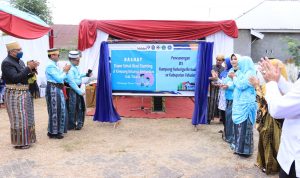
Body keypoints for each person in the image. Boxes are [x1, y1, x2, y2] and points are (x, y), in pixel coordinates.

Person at [259, 57, 300, 178]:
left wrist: (271, 82)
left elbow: (277, 109)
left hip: (295, 157)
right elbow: (294, 92)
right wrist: (278, 80)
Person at [249, 59, 287, 174]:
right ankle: (264, 162)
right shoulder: (272, 85)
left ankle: (271, 167)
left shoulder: (279, 87)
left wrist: (256, 87)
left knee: (270, 141)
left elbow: (264, 102)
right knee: (265, 140)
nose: (265, 72)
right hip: (267, 117)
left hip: (272, 119)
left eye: (269, 69)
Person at [1, 41, 39, 149]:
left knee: (28, 117)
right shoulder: (6, 63)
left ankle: (28, 139)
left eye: (20, 49)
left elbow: (23, 77)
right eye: (18, 50)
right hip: (14, 94)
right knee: (19, 118)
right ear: (11, 52)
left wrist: (32, 70)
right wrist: (28, 68)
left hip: (25, 92)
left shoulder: (21, 61)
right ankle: (20, 142)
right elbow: (15, 78)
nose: (21, 52)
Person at [228, 56, 257, 156]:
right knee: (238, 127)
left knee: (244, 127)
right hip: (240, 104)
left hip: (246, 105)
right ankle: (238, 148)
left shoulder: (250, 73)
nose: (238, 65)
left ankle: (245, 151)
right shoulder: (243, 72)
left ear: (245, 64)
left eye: (240, 63)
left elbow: (241, 85)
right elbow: (235, 84)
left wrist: (234, 77)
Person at [45, 48, 71, 139]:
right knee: (56, 110)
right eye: (57, 55)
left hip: (56, 88)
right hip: (53, 88)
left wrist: (64, 71)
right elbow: (59, 79)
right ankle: (54, 132)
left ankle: (54, 131)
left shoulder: (54, 65)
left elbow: (60, 77)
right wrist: (65, 71)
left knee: (58, 110)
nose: (59, 56)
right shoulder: (50, 66)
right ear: (52, 55)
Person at [65, 51, 90, 130]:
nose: (79, 61)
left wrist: (86, 74)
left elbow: (78, 76)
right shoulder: (70, 69)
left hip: (76, 89)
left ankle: (78, 123)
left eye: (79, 60)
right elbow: (71, 82)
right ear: (71, 60)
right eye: (77, 60)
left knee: (79, 107)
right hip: (72, 90)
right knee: (72, 107)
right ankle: (71, 124)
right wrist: (79, 91)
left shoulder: (75, 67)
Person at [222, 54, 238, 145]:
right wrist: (222, 83)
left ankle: (232, 138)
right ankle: (229, 137)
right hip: (228, 97)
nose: (233, 61)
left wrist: (228, 85)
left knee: (232, 119)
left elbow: (238, 84)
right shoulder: (231, 70)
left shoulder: (239, 71)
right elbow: (226, 81)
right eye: (232, 59)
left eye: (235, 59)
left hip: (234, 98)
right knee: (228, 119)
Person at [207, 54, 225, 124]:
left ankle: (221, 118)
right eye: (217, 59)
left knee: (220, 102)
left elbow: (224, 79)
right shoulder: (212, 67)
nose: (218, 61)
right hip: (212, 88)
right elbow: (207, 77)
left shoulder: (224, 69)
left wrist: (219, 82)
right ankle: (209, 118)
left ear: (222, 61)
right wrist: (212, 80)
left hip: (221, 88)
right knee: (211, 102)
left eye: (219, 60)